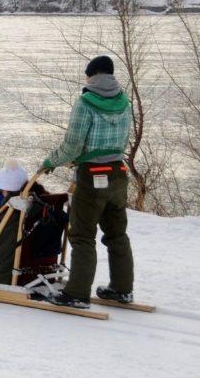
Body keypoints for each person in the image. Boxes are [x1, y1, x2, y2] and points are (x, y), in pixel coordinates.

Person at [39, 55, 134, 309]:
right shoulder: (126, 103)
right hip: (118, 173)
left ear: (91, 75)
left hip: (92, 176)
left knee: (82, 235)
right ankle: (122, 289)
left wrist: (50, 162)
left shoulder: (85, 104)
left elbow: (72, 145)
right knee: (117, 234)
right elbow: (124, 140)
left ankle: (77, 293)